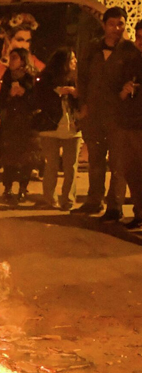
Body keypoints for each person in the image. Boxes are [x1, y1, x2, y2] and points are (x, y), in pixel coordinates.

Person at [74, 7, 138, 221]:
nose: (116, 29)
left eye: (120, 24)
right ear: (104, 25)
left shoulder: (129, 51)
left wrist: (124, 93)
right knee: (95, 159)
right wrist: (82, 104)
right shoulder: (92, 49)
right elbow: (82, 77)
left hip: (118, 115)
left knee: (118, 162)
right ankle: (94, 200)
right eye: (112, 24)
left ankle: (115, 205)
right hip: (93, 113)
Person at [33, 48, 81, 211]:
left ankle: (68, 200)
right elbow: (39, 98)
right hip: (50, 127)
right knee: (51, 165)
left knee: (71, 167)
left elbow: (86, 98)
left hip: (72, 127)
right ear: (63, 62)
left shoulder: (77, 79)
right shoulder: (46, 79)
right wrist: (58, 92)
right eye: (72, 59)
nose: (75, 62)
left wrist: (76, 94)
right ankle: (49, 198)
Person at [0, 13, 45, 113]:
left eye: (27, 41)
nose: (24, 46)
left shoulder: (40, 67)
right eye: (19, 40)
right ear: (7, 39)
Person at [0, 48, 38, 203]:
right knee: (9, 158)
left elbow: (37, 100)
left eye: (14, 58)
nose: (11, 61)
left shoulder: (33, 78)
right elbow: (0, 102)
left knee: (26, 159)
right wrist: (9, 96)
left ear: (23, 60)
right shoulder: (7, 77)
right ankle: (7, 188)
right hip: (10, 124)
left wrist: (24, 93)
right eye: (10, 58)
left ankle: (22, 188)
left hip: (27, 125)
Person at [117, 45, 142, 229]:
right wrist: (123, 92)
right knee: (132, 171)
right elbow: (116, 93)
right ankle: (139, 213)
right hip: (130, 123)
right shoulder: (131, 62)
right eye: (139, 36)